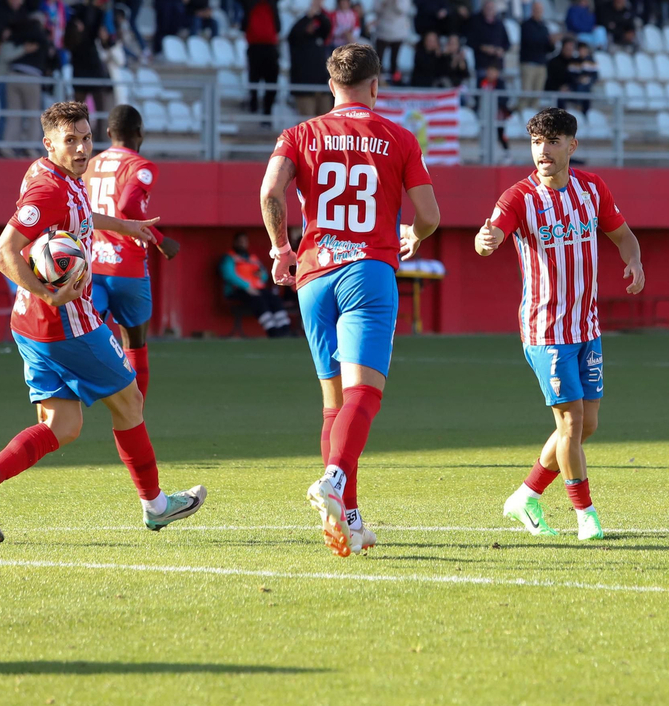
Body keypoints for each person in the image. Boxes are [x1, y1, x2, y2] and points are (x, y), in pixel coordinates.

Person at [0, 101, 206, 544]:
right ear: (49, 143)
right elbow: (2, 252)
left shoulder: (56, 175)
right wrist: (50, 292)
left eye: (86, 138)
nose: (82, 148)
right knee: (129, 402)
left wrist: (124, 226)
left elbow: (79, 216)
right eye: (70, 140)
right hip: (67, 323)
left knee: (62, 426)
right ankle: (156, 506)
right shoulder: (47, 190)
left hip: (30, 325)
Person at [259, 43, 442, 557]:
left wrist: (281, 249)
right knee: (366, 394)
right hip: (367, 271)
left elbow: (270, 193)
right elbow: (429, 215)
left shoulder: (298, 134)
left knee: (334, 404)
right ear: (375, 86)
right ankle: (333, 481)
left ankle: (352, 520)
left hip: (313, 274)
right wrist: (414, 235)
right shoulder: (399, 137)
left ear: (330, 85)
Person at [475, 108, 644, 541]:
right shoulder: (518, 197)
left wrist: (634, 260)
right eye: (536, 142)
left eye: (552, 142)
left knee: (587, 426)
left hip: (587, 326)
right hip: (546, 330)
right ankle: (585, 515)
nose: (543, 151)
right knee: (570, 424)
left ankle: (526, 496)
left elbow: (622, 234)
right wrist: (485, 241)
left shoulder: (592, 188)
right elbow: (489, 236)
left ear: (572, 145)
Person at [85, 104, 181, 398]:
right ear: (140, 132)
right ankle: (135, 413)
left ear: (108, 132)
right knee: (134, 344)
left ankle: (70, 409)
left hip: (91, 265)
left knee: (85, 340)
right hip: (126, 267)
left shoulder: (89, 164)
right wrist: (160, 239)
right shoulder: (141, 166)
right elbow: (127, 204)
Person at [222, 231, 292, 339]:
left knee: (274, 299)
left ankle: (285, 329)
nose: (242, 244)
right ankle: (273, 331)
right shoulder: (229, 258)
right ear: (235, 242)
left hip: (258, 289)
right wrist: (247, 287)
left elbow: (264, 274)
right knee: (258, 301)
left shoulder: (252, 258)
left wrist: (261, 274)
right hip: (239, 290)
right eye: (240, 241)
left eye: (244, 241)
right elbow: (228, 274)